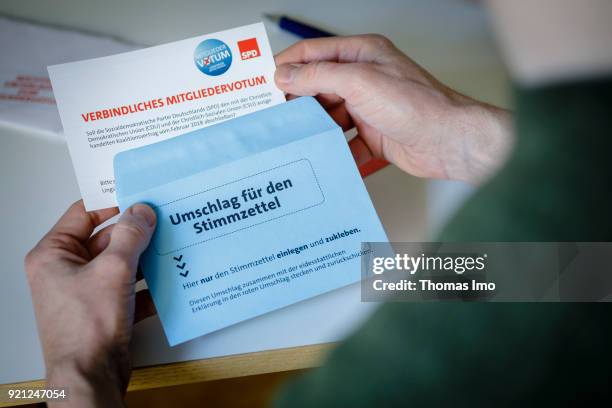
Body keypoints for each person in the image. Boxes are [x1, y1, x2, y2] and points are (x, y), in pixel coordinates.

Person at [24, 1, 612, 406]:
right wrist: (462, 140)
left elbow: (554, 274)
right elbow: (581, 268)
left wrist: (73, 373)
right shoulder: (574, 193)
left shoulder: (437, 357)